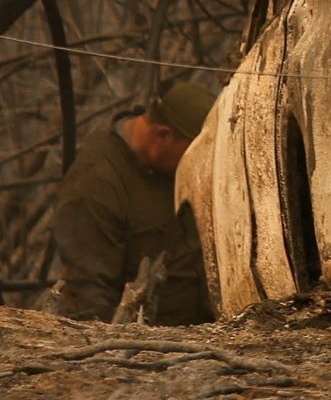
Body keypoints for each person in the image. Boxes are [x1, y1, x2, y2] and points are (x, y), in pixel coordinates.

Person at [47, 79, 216, 325]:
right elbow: (89, 297)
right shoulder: (94, 186)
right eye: (195, 153)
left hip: (215, 330)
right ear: (163, 136)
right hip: (155, 346)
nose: (202, 163)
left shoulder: (168, 165)